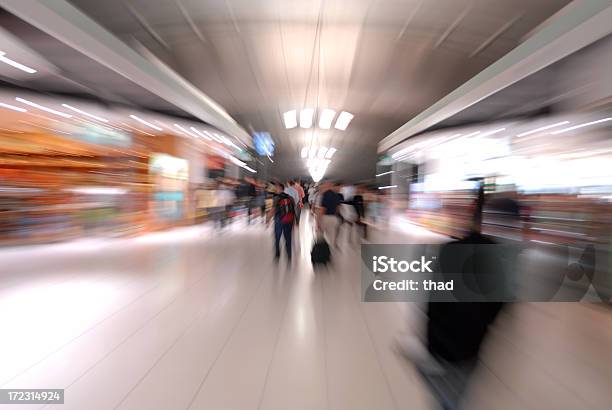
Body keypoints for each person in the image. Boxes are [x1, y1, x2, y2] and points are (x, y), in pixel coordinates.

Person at [268, 182, 295, 263]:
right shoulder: (290, 197)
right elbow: (294, 209)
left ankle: (277, 254)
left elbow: (273, 210)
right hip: (289, 220)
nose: (275, 189)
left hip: (278, 219)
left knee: (277, 237)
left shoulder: (276, 198)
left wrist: (267, 219)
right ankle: (289, 254)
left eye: (276, 187)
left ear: (280, 188)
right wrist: (295, 221)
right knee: (288, 238)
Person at [317, 181, 342, 247]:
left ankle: (321, 251)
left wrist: (318, 221)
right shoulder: (336, 195)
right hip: (334, 218)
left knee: (320, 236)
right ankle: (332, 250)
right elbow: (338, 209)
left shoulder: (324, 194)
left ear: (327, 186)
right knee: (332, 237)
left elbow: (323, 209)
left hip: (325, 218)